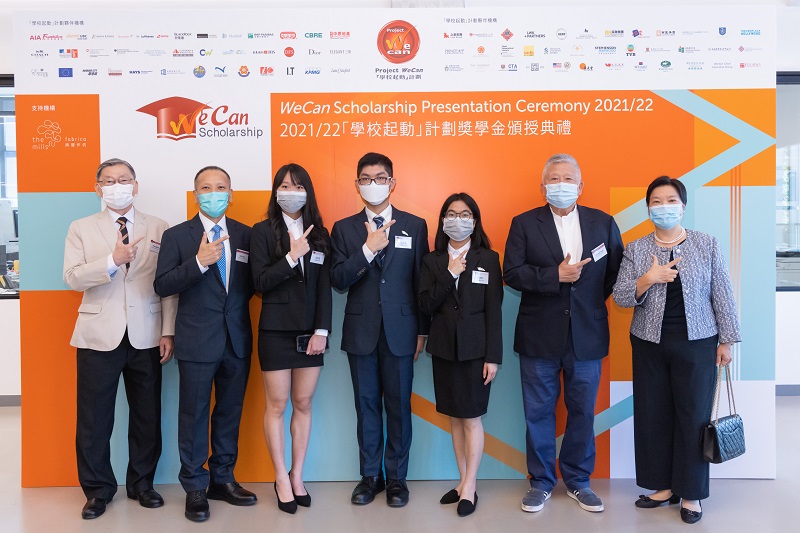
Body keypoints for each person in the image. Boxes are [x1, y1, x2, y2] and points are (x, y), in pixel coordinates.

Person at [612, 176, 741, 525]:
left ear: (682, 206)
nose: (664, 207)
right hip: (648, 343)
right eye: (656, 201)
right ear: (648, 208)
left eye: (671, 200)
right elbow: (621, 296)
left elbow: (722, 293)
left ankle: (691, 492)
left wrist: (727, 340)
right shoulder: (636, 248)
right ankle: (663, 487)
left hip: (698, 342)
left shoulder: (706, 244)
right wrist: (648, 278)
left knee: (693, 416)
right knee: (653, 414)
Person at [503, 153, 623, 514]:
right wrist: (553, 276)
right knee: (538, 412)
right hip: (538, 334)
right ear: (543, 187)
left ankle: (578, 480)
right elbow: (511, 273)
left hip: (587, 333)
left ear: (580, 186)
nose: (561, 185)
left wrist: (584, 301)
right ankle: (540, 482)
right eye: (554, 179)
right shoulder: (524, 223)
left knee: (582, 411)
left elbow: (614, 272)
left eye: (568, 179)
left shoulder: (603, 223)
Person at [64, 158, 177, 520]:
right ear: (97, 188)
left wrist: (168, 330)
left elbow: (167, 285)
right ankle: (98, 490)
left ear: (136, 185)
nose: (117, 186)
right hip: (98, 335)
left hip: (147, 334)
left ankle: (142, 484)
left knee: (147, 415)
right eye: (109, 181)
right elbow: (73, 277)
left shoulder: (159, 227)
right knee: (94, 419)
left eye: (124, 179)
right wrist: (112, 261)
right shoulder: (81, 228)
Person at [153, 166, 257, 522]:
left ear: (231, 193)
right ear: (196, 194)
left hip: (236, 339)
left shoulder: (246, 234)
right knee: (194, 414)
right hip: (197, 339)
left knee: (229, 411)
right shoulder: (177, 236)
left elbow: (253, 285)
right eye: (206, 188)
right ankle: (195, 485)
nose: (214, 193)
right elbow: (162, 284)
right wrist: (199, 263)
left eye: (221, 187)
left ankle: (223, 479)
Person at [330, 152, 429, 507]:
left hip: (402, 332)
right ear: (357, 185)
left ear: (392, 183)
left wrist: (422, 332)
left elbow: (421, 283)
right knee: (367, 406)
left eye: (380, 178)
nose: (373, 184)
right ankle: (370, 476)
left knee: (399, 406)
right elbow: (338, 279)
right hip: (361, 331)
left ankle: (397, 478)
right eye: (366, 179)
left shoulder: (415, 225)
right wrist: (366, 252)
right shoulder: (343, 228)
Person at [250, 164, 332, 514]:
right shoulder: (261, 232)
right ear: (276, 192)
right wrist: (290, 257)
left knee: (303, 402)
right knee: (277, 405)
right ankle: (280, 478)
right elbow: (260, 283)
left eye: (298, 186)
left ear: (307, 192)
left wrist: (322, 331)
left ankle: (297, 475)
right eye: (284, 186)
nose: (291, 192)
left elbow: (324, 286)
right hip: (275, 331)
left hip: (311, 333)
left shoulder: (321, 234)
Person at [418, 193, 503, 518]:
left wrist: (492, 356)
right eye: (452, 214)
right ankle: (462, 481)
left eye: (465, 214)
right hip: (443, 350)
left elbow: (494, 310)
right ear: (443, 221)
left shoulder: (489, 258)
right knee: (454, 417)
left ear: (475, 220)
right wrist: (450, 274)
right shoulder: (432, 260)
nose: (458, 220)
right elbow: (425, 304)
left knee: (471, 418)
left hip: (476, 351)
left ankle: (470, 486)